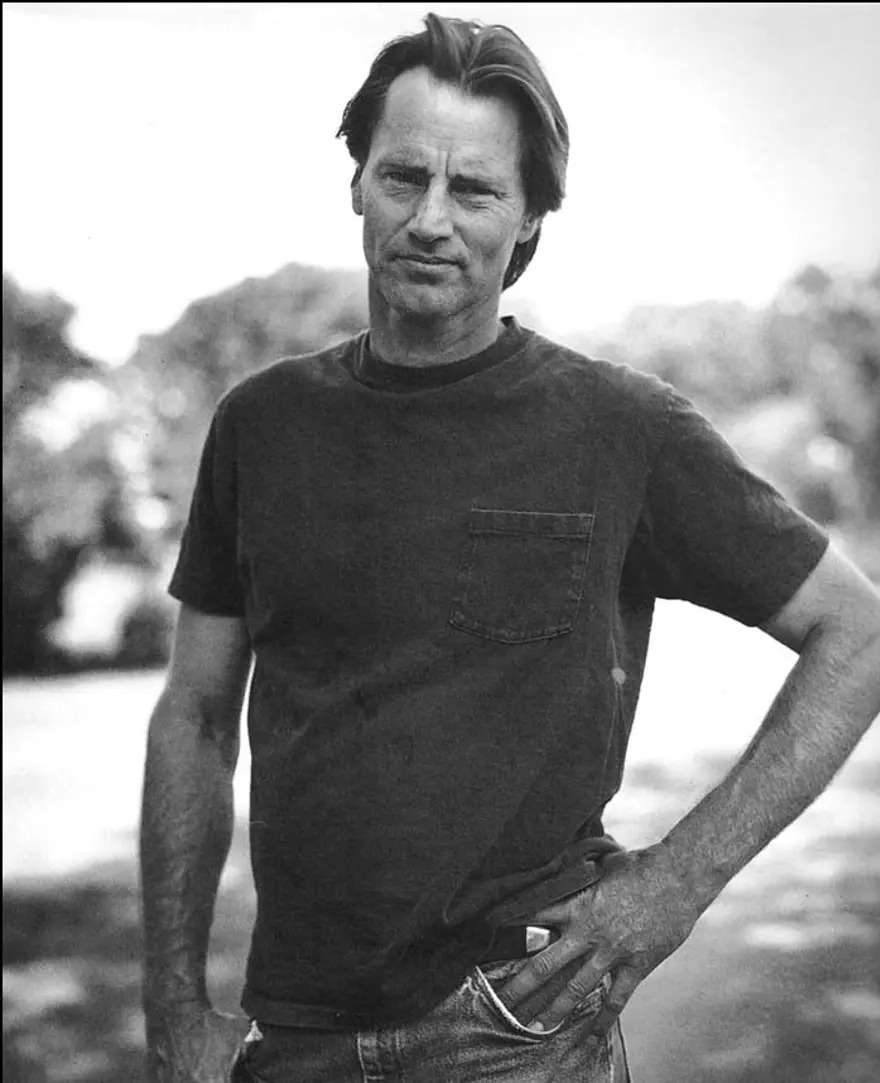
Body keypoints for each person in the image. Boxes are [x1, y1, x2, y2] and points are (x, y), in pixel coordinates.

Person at [140, 12, 880, 1083]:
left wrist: (674, 886)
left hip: (516, 1032)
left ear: (529, 216)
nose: (430, 220)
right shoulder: (259, 426)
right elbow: (198, 714)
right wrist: (171, 1002)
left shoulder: (621, 428)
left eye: (476, 190)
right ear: (357, 184)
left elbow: (856, 632)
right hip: (293, 1033)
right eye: (403, 177)